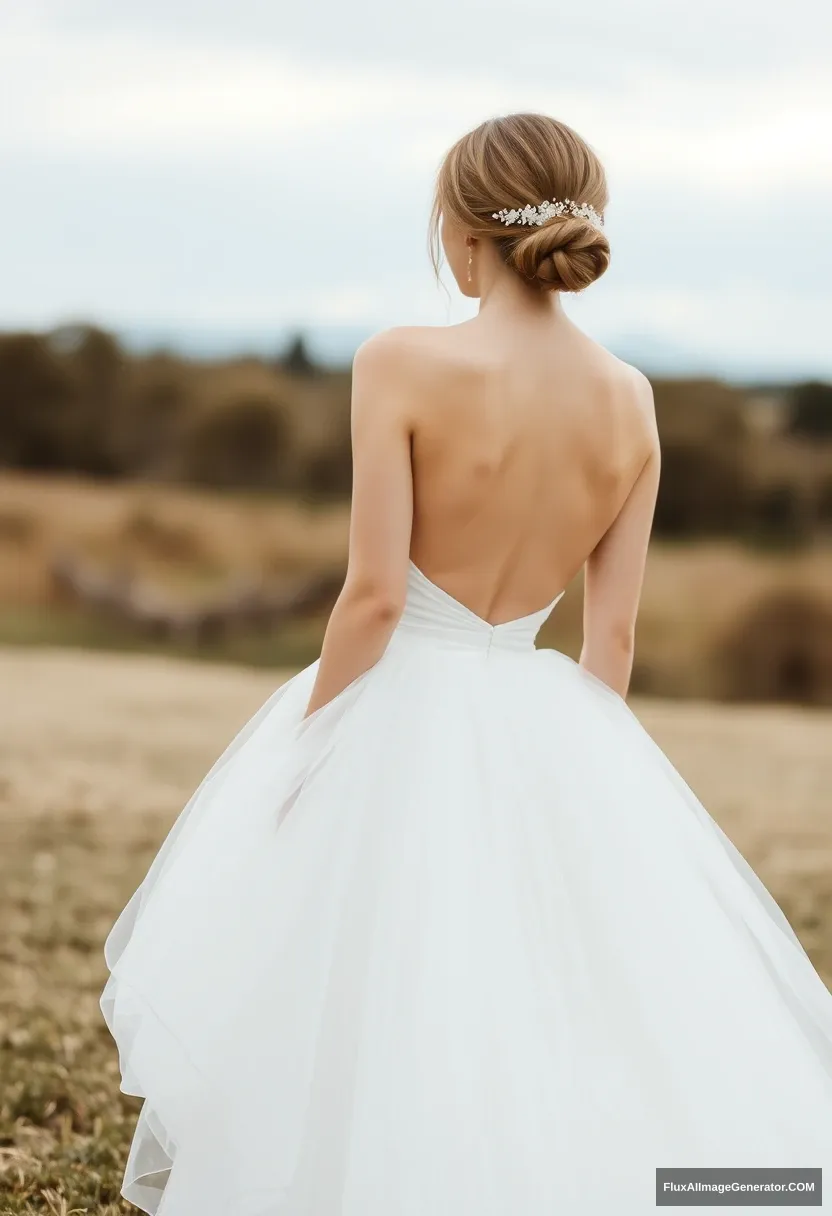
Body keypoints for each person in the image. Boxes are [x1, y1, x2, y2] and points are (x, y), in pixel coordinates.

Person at [101, 113, 832, 1215]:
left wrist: (310, 750)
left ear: (461, 231)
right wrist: (577, 784)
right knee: (549, 997)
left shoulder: (399, 361)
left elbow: (376, 596)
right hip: (545, 706)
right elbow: (612, 640)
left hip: (399, 701)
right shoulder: (631, 400)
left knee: (369, 981)